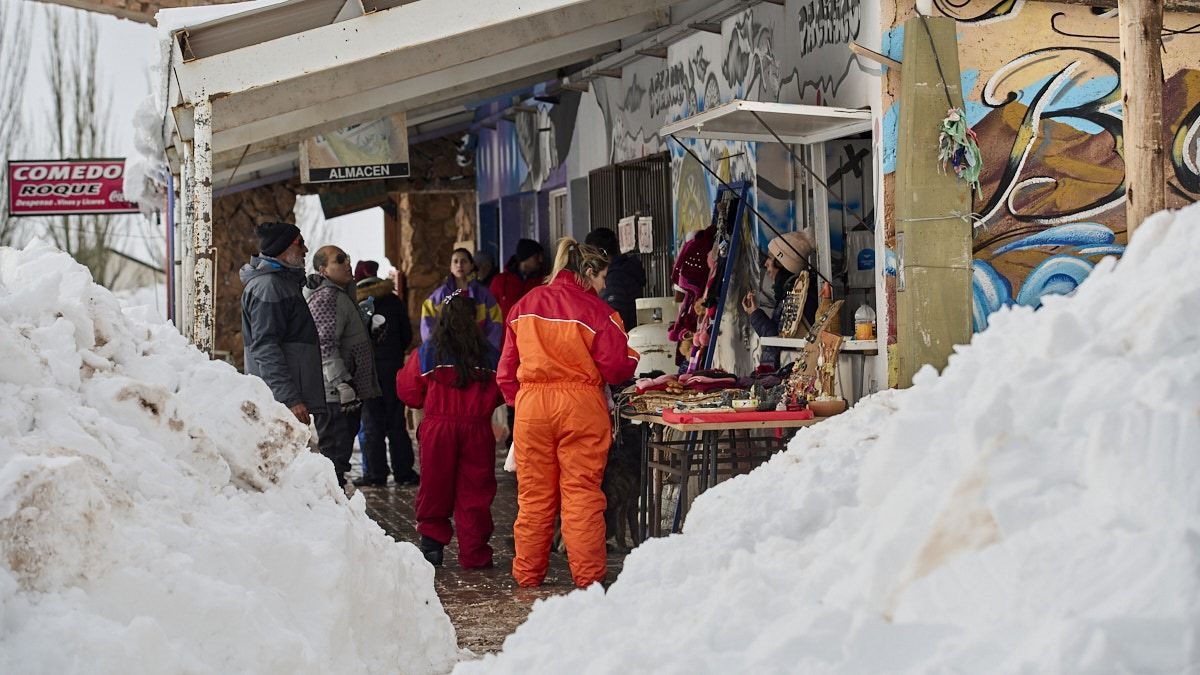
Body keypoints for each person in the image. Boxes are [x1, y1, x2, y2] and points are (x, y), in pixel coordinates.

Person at [498, 238, 640, 589]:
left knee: (533, 496)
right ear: (588, 271)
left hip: (532, 409)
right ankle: (588, 579)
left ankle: (528, 575)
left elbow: (506, 372)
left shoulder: (524, 305)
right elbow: (618, 368)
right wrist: (633, 355)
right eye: (602, 278)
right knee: (582, 494)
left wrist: (524, 403)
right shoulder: (598, 312)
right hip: (581, 408)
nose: (604, 286)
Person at [397, 294, 503, 569]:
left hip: (438, 429)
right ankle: (475, 553)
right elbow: (503, 390)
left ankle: (432, 548)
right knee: (476, 492)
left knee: (434, 487)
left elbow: (408, 392)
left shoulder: (428, 352)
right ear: (476, 319)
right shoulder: (490, 355)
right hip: (477, 429)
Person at [306, 245, 382, 487]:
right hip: (336, 396)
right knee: (334, 461)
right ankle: (330, 505)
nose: (347, 263)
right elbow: (324, 344)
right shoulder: (327, 297)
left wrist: (369, 331)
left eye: (347, 258)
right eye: (339, 260)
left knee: (339, 458)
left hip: (344, 394)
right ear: (323, 270)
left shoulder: (341, 294)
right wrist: (342, 383)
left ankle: (333, 502)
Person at [239, 222, 326, 425]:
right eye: (300, 243)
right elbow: (265, 347)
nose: (305, 249)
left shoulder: (282, 284)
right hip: (280, 404)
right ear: (282, 248)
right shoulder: (269, 287)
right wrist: (289, 399)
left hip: (284, 401)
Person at [354, 260, 419, 487]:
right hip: (392, 369)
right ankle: (404, 472)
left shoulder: (356, 303)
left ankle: (376, 474)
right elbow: (406, 335)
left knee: (371, 422)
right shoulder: (393, 301)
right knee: (396, 420)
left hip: (366, 371)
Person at [740, 230, 818, 368]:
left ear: (782, 264)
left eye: (770, 258)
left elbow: (777, 339)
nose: (766, 263)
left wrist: (754, 314)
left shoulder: (798, 296)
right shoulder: (789, 293)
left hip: (785, 369)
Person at [420, 248, 503, 350]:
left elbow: (495, 324)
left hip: (478, 353)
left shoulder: (484, 295)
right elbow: (427, 325)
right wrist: (436, 349)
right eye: (455, 261)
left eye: (464, 261)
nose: (459, 265)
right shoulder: (439, 296)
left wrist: (487, 350)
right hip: (447, 353)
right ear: (450, 267)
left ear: (471, 265)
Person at [585, 227, 646, 330]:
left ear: (601, 253)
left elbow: (614, 320)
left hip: (622, 336)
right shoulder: (626, 269)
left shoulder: (614, 278)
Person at [489, 238, 544, 323]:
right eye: (536, 256)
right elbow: (490, 310)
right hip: (506, 331)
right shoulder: (500, 281)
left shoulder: (544, 282)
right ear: (525, 257)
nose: (541, 260)